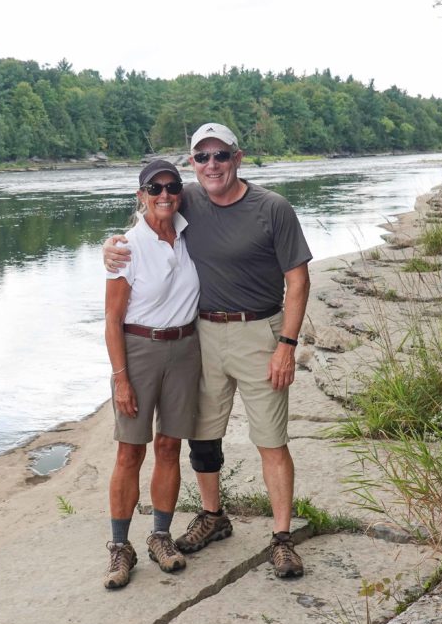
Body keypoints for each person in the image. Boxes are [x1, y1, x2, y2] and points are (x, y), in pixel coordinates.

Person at [105, 123, 312, 578]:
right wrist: (110, 246)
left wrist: (287, 344)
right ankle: (212, 515)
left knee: (271, 440)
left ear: (238, 157)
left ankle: (282, 538)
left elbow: (298, 280)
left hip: (258, 333)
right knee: (201, 434)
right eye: (202, 157)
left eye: (221, 155)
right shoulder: (187, 200)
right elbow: (147, 220)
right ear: (192, 163)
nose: (211, 165)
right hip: (203, 335)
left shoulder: (272, 208)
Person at [102, 159, 201, 589]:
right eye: (154, 188)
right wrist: (121, 378)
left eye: (172, 186)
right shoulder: (127, 247)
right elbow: (111, 320)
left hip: (186, 349)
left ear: (180, 191)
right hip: (139, 350)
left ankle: (160, 536)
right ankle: (119, 547)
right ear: (140, 195)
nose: (164, 195)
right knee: (130, 451)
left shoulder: (191, 232)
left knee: (169, 445)